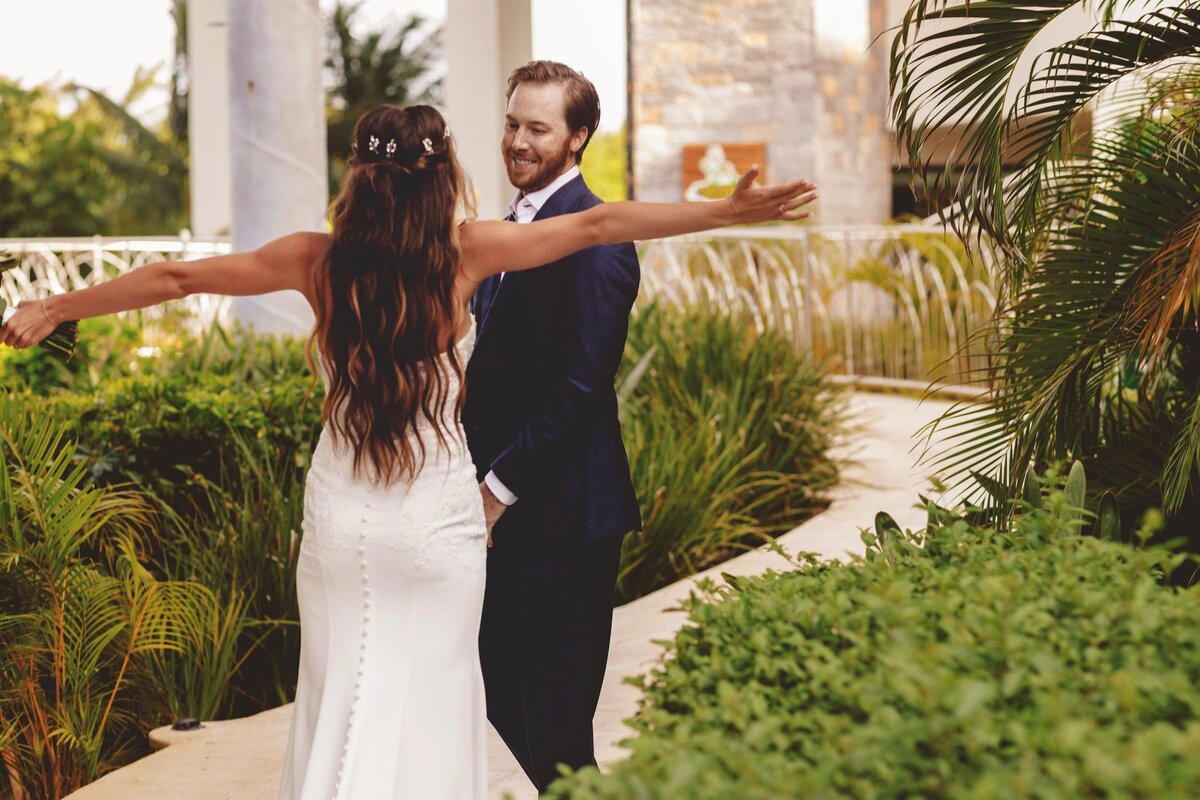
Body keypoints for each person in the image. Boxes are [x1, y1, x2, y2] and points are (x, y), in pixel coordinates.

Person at [0, 103, 816, 799]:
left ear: (356, 176)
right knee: (432, 698)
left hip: (341, 520)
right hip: (434, 522)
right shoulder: (467, 254)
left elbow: (180, 277)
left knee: (340, 693)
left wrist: (59, 304)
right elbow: (599, 223)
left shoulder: (312, 261)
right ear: (443, 175)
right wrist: (722, 212)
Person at [465, 60, 637, 793]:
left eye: (538, 128)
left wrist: (496, 490)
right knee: (499, 694)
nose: (519, 141)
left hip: (565, 520)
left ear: (578, 138)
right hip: (499, 519)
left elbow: (579, 386)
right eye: (512, 124)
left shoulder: (598, 239)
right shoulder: (501, 235)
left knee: (560, 727)